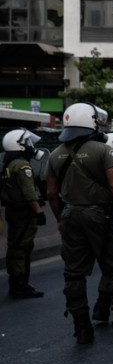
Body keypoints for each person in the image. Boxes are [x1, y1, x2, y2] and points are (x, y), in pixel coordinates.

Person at [46, 103, 113, 344]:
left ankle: (82, 328)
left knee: (74, 273)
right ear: (91, 123)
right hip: (102, 217)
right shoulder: (102, 151)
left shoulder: (54, 154)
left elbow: (51, 193)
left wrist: (60, 219)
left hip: (70, 214)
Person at [1, 128, 47, 298]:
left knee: (15, 247)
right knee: (22, 249)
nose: (30, 147)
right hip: (24, 214)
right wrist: (39, 212)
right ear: (19, 145)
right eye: (27, 143)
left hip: (13, 212)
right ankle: (20, 286)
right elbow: (29, 193)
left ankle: (16, 283)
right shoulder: (22, 165)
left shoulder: (8, 164)